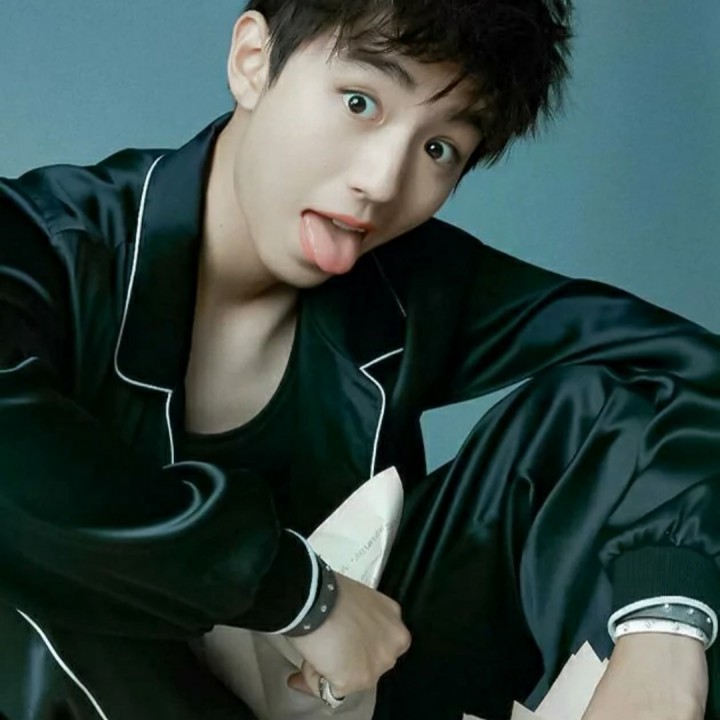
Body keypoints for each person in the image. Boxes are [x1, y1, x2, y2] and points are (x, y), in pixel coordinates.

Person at [1, 1, 719, 718]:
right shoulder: (39, 243)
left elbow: (684, 369)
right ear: (253, 62)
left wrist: (666, 626)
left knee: (605, 414)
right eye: (359, 102)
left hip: (362, 694)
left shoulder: (415, 283)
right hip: (112, 688)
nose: (381, 182)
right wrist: (299, 595)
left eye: (439, 149)